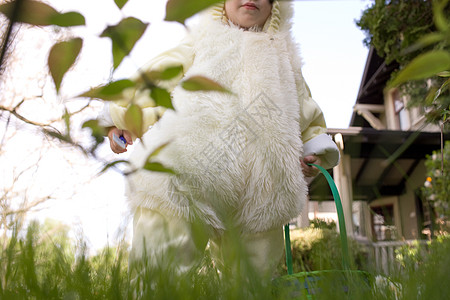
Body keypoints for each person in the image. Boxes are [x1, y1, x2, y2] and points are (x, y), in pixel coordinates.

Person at [100, 0, 340, 278]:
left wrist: (313, 155)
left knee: (252, 280)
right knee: (160, 267)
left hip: (260, 187)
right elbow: (155, 82)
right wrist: (123, 118)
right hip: (187, 171)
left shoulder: (286, 61)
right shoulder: (202, 40)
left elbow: (307, 116)